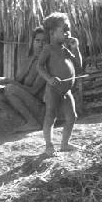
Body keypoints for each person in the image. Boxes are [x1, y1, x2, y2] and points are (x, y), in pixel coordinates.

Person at [37, 12, 82, 156]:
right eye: (64, 29)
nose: (68, 33)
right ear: (52, 33)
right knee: (50, 115)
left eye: (69, 29)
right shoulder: (48, 49)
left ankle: (65, 144)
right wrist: (49, 79)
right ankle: (49, 146)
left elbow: (79, 65)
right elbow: (40, 67)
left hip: (66, 91)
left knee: (72, 116)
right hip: (53, 90)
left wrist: (76, 49)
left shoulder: (66, 50)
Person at [0, 27, 47, 132]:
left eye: (44, 41)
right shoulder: (29, 60)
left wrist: (9, 81)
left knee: (10, 89)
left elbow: (34, 91)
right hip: (30, 104)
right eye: (37, 41)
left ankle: (34, 123)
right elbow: (18, 82)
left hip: (41, 109)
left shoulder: (46, 63)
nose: (40, 44)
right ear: (33, 42)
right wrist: (1, 85)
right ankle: (23, 122)